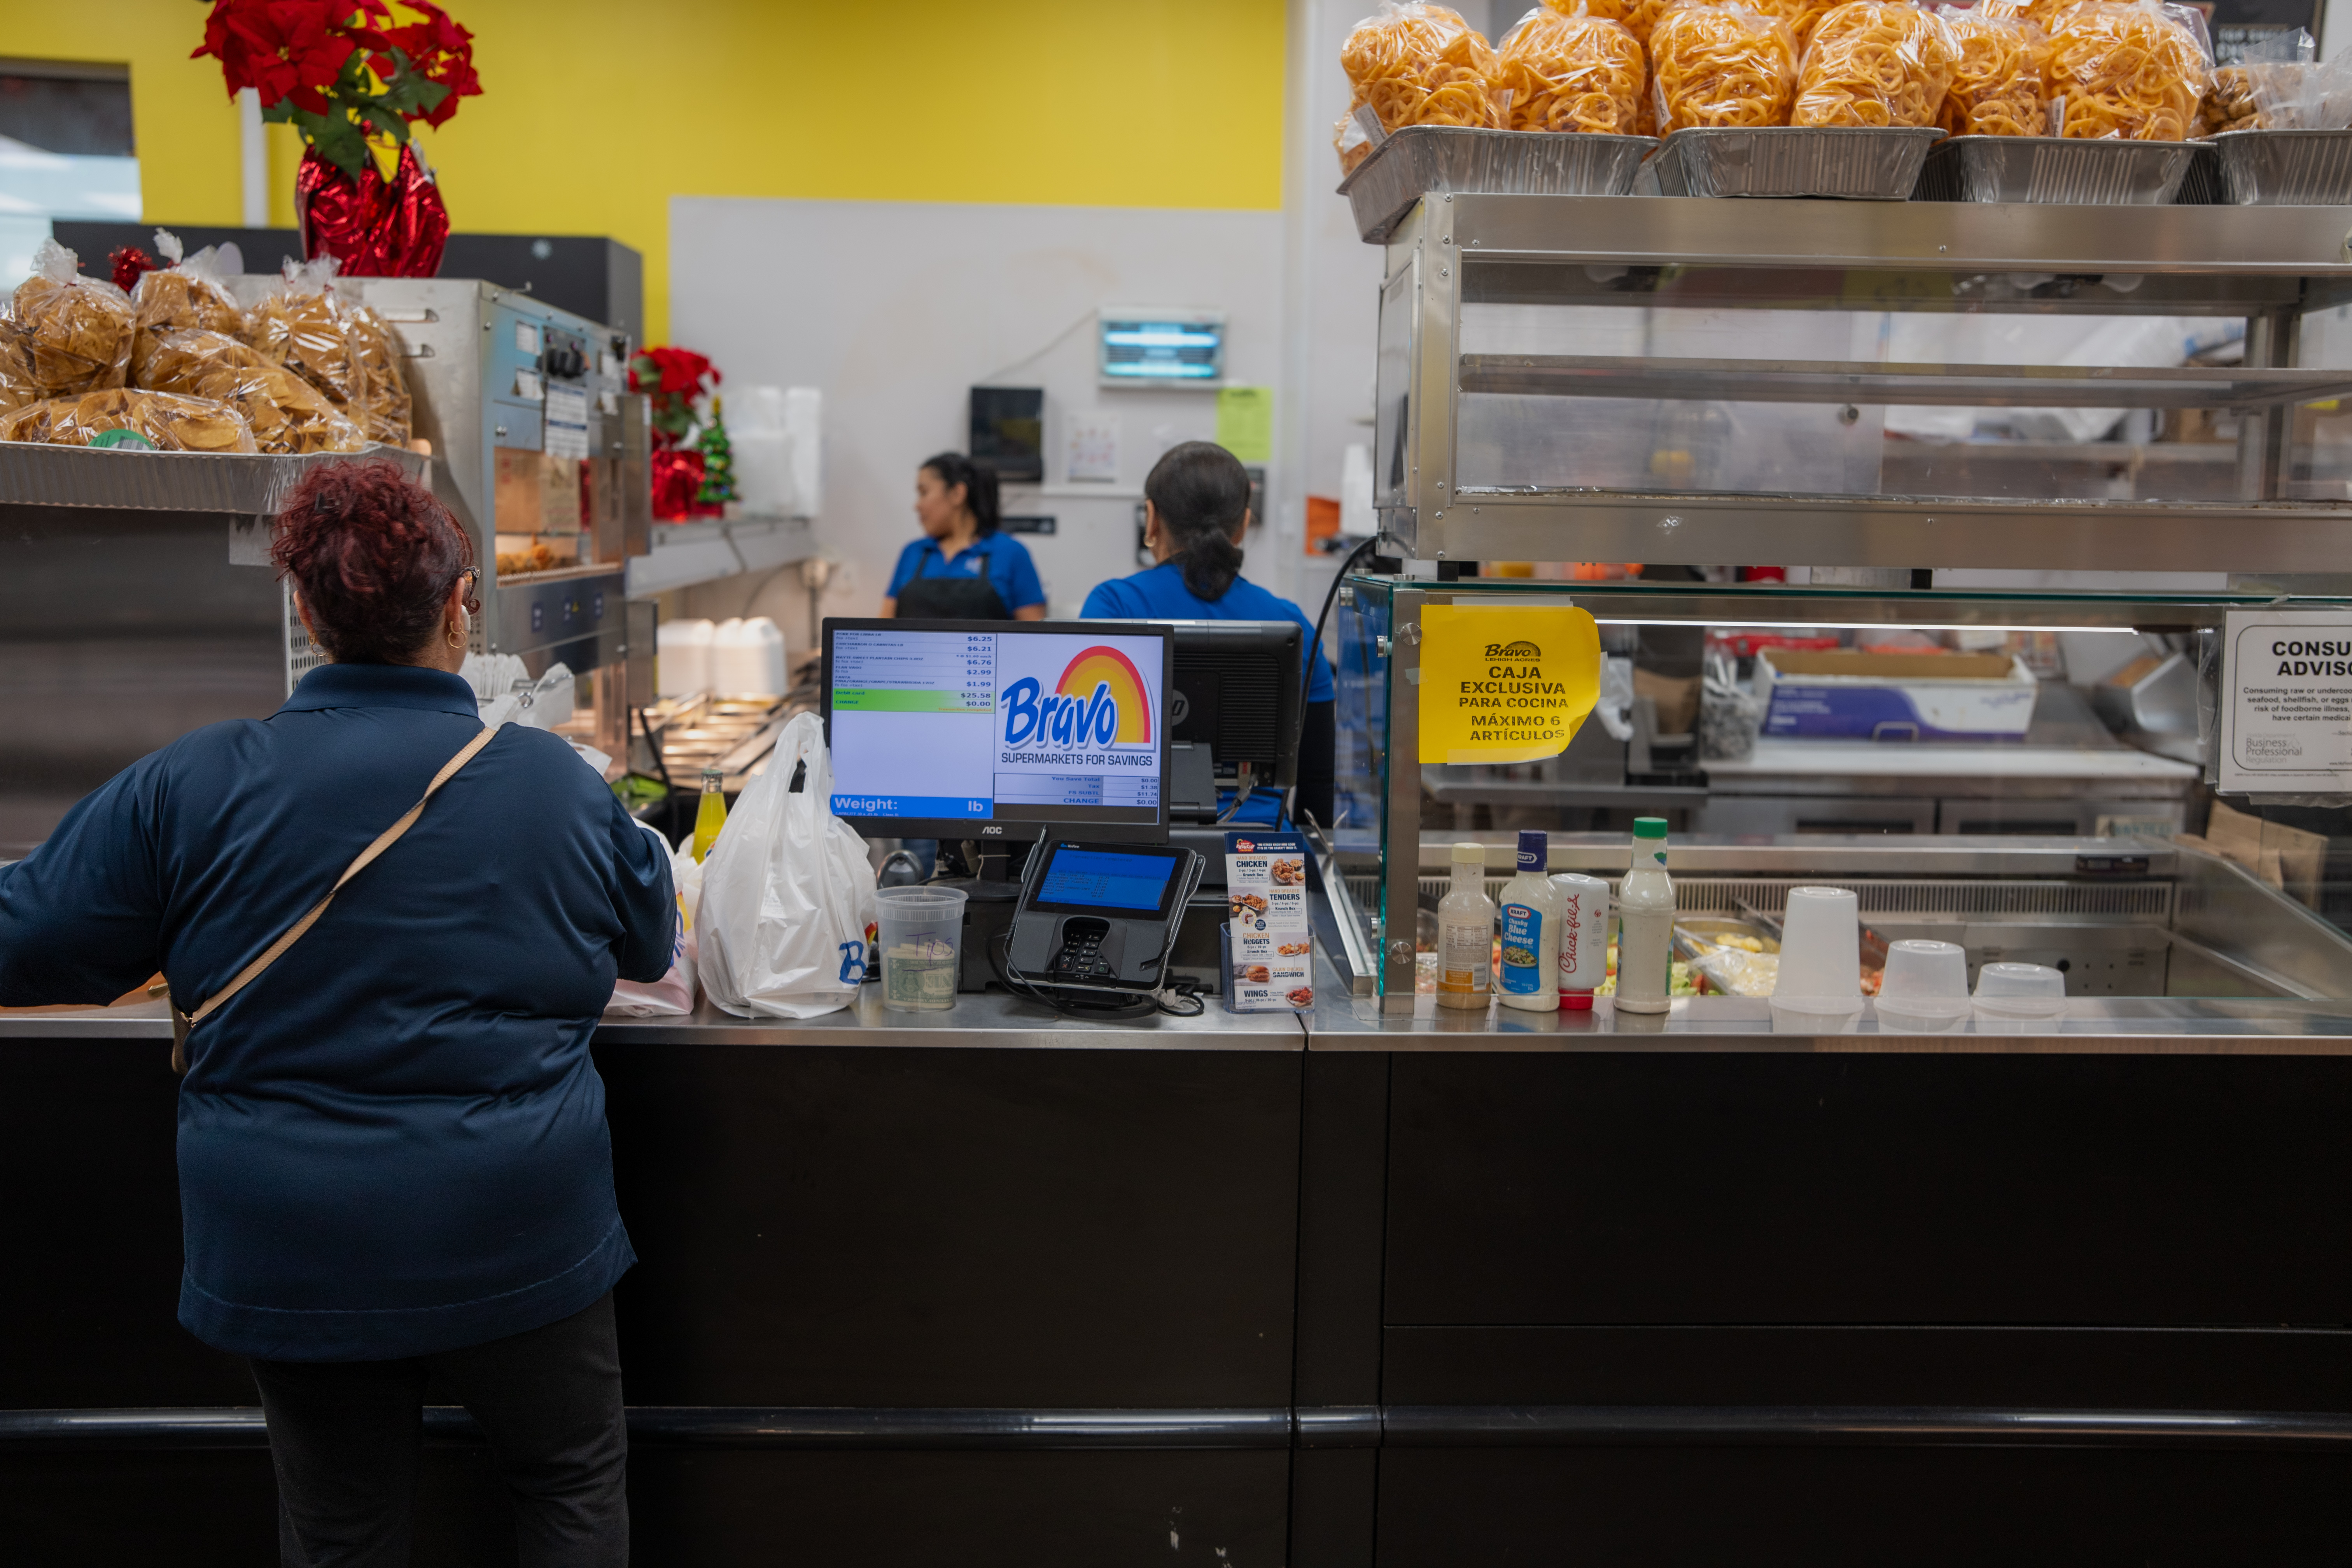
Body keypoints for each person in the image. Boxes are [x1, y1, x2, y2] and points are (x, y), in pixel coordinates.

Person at [0, 459, 675, 1567]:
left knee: (343, 1525)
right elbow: (649, 945)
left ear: (305, 612)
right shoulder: (557, 783)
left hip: (294, 1242)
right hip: (515, 1222)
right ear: (461, 610)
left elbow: (25, 942)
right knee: (567, 1482)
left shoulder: (192, 782)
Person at [1081, 441, 1336, 829]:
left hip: (1130, 845)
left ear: (1151, 519)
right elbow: (1318, 782)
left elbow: (1076, 754)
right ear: (1244, 523)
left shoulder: (1112, 606)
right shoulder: (1291, 626)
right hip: (1258, 854)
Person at [880, 452, 1048, 620]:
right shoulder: (913, 552)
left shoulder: (1011, 553)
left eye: (924, 493)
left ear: (957, 494)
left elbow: (1036, 640)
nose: (917, 506)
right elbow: (883, 632)